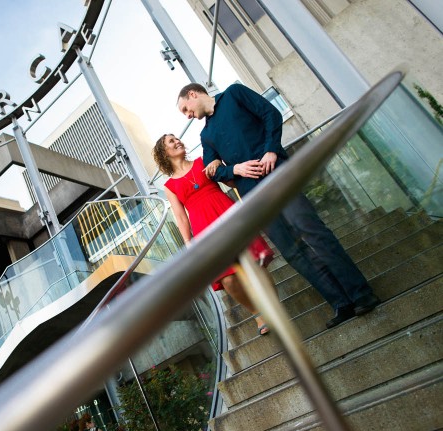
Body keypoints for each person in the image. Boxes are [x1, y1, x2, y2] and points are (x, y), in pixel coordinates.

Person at [177, 82, 380, 328]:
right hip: (253, 195)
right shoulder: (206, 135)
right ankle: (340, 303)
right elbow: (212, 171)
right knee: (292, 250)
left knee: (314, 232)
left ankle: (360, 294)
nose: (187, 115)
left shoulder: (234, 94)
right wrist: (234, 168)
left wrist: (271, 150)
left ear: (193, 94)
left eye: (185, 108)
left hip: (278, 175)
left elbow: (270, 114)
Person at [154, 134, 274, 335]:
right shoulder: (169, 187)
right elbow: (181, 217)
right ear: (164, 153)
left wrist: (219, 163)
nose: (178, 142)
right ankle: (258, 313)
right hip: (204, 230)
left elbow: (230, 181)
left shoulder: (203, 161)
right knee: (227, 279)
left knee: (256, 262)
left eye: (177, 138)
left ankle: (272, 308)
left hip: (228, 214)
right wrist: (188, 242)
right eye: (171, 142)